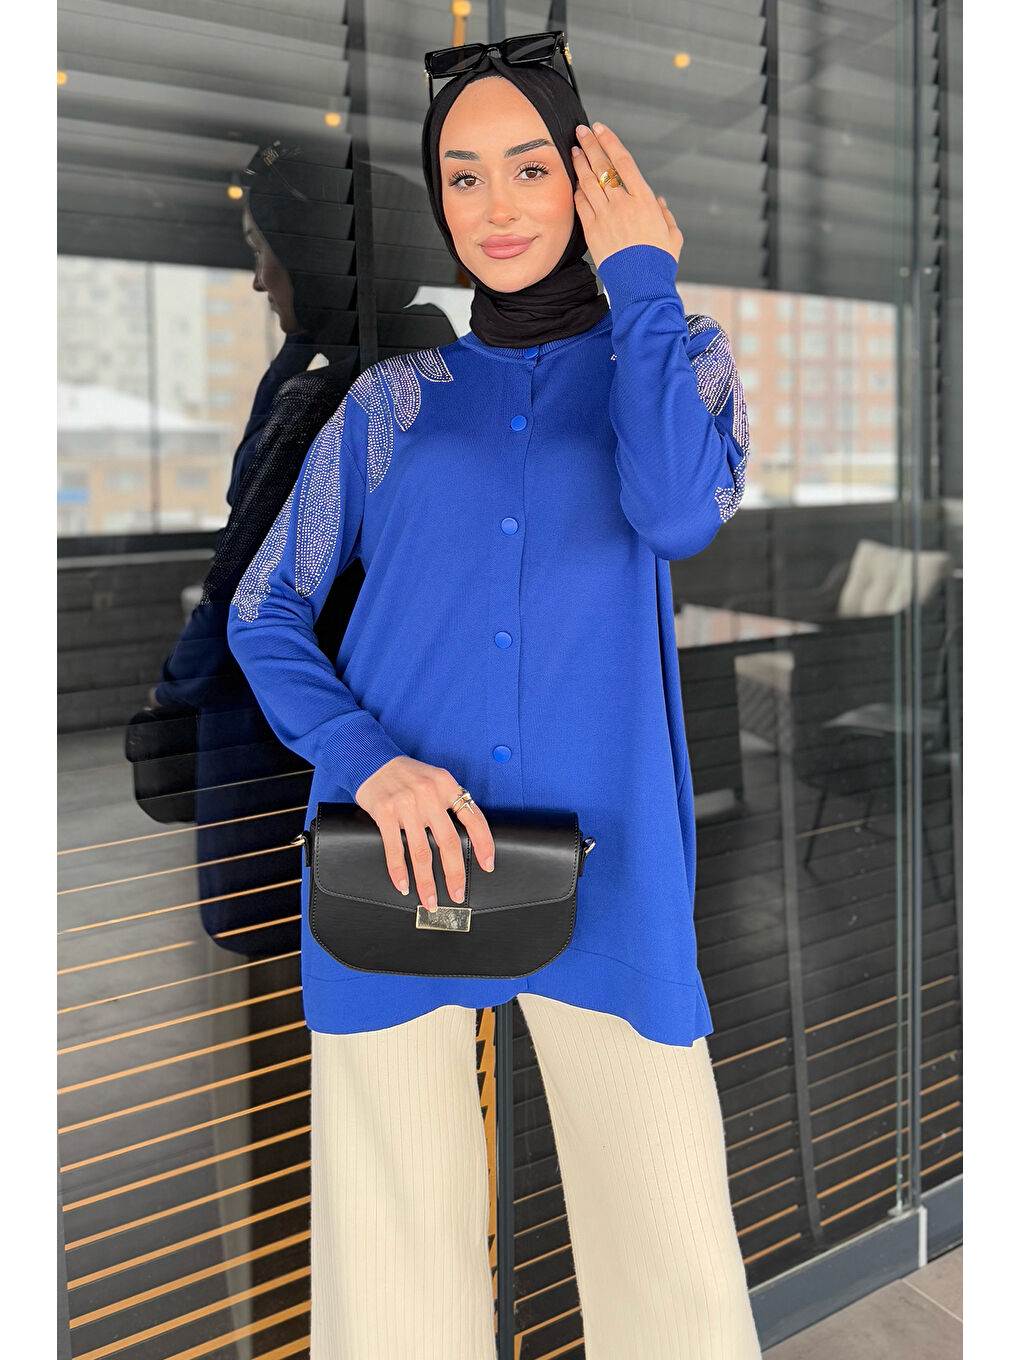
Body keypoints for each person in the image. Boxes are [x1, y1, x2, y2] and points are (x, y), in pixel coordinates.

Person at [226, 37, 758, 1360]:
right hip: (393, 851)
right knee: (393, 1270)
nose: (497, 206)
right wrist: (366, 759)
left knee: (676, 1268)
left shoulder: (675, 357)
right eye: (462, 176)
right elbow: (264, 607)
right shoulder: (392, 402)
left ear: (590, 182)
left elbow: (678, 513)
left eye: (531, 168)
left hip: (613, 861)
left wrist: (643, 281)